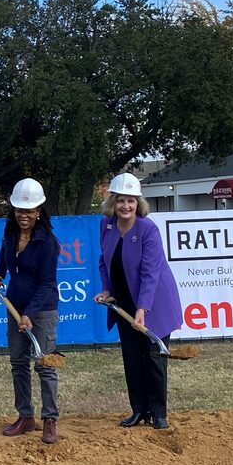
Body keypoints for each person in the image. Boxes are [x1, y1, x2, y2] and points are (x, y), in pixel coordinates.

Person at [93, 172, 183, 430]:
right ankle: (138, 410)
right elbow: (104, 260)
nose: (126, 206)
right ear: (113, 202)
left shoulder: (148, 229)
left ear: (138, 203)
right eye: (121, 200)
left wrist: (143, 309)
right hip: (123, 302)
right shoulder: (106, 224)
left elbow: (150, 272)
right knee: (132, 358)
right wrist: (107, 289)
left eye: (131, 201)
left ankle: (159, 413)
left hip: (153, 302)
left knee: (154, 356)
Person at [0, 178, 60, 444]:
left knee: (45, 365)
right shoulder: (10, 235)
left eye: (29, 211)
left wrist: (29, 314)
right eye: (20, 210)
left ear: (39, 211)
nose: (24, 215)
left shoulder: (48, 243)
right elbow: (4, 257)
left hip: (42, 311)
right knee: (18, 363)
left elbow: (46, 284)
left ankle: (49, 419)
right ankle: (25, 416)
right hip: (14, 306)